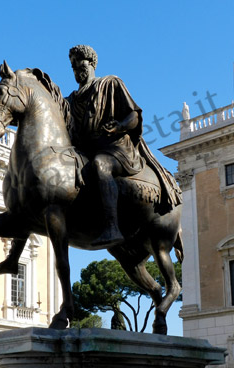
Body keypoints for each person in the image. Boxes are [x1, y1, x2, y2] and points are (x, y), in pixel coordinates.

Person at [65, 44, 182, 247]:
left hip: (116, 148)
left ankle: (112, 226)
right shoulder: (71, 100)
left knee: (101, 165)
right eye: (73, 66)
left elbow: (134, 115)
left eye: (80, 63)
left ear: (92, 63)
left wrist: (119, 125)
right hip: (86, 152)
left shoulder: (111, 83)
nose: (76, 69)